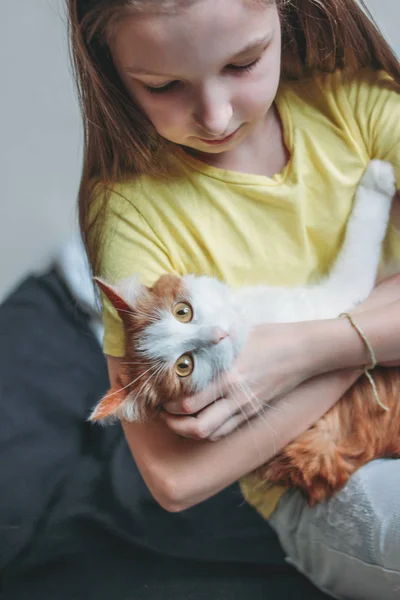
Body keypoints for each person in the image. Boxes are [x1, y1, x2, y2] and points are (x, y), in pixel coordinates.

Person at [69, 0, 400, 597]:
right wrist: (372, 334)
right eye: (164, 85)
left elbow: (302, 347)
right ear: (108, 67)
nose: (216, 117)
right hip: (320, 482)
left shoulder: (351, 99)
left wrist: (303, 352)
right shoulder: (128, 210)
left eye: (244, 62)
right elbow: (173, 479)